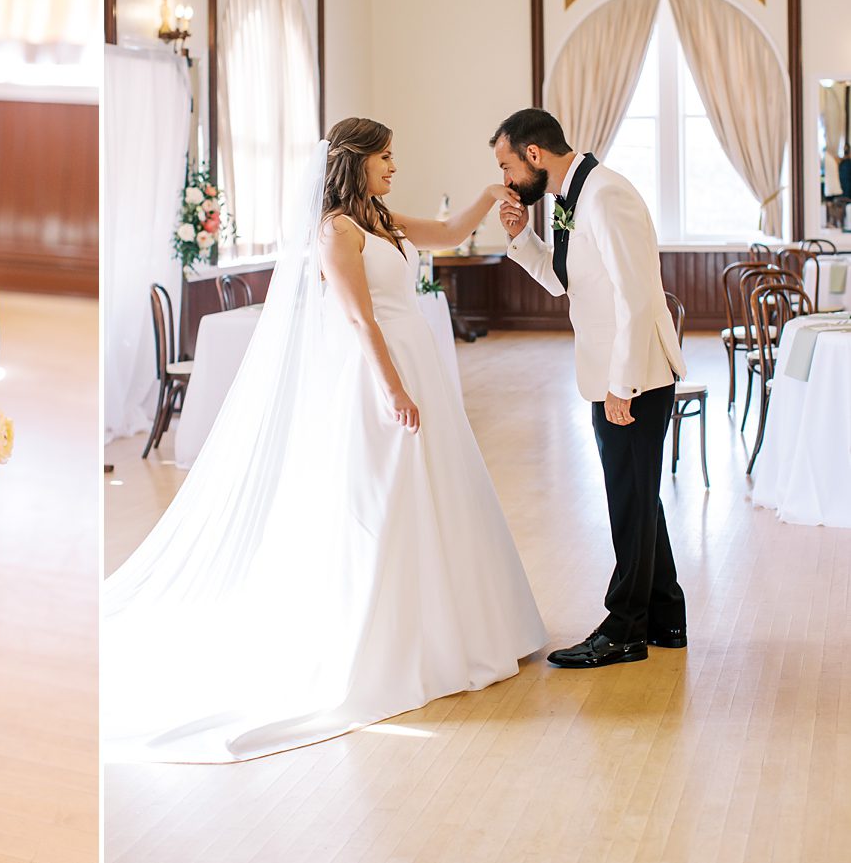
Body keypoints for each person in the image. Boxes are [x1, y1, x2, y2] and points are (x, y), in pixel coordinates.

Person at [103, 117, 546, 764]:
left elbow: (450, 233)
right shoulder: (337, 229)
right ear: (356, 161)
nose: (394, 166)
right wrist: (393, 388)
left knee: (438, 496)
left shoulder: (382, 220)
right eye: (386, 157)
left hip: (413, 364)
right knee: (385, 502)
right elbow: (359, 319)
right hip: (377, 377)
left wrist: (491, 193)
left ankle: (453, 624)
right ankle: (388, 641)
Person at [492, 107, 687, 668]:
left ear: (534, 155)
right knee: (639, 496)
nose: (506, 180)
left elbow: (639, 297)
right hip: (614, 375)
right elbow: (563, 282)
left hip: (635, 379)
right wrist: (519, 239)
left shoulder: (605, 195)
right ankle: (665, 616)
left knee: (628, 501)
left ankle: (624, 630)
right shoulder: (566, 199)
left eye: (507, 166)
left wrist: (621, 386)